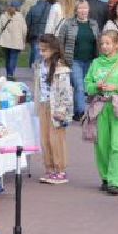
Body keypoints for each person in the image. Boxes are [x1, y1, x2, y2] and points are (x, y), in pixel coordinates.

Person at [84, 30, 118, 195]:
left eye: (108, 43)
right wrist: (96, 86)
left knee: (116, 145)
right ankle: (106, 177)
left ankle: (117, 182)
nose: (104, 46)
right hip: (99, 108)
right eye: (102, 43)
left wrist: (117, 87)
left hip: (117, 109)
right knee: (101, 145)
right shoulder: (96, 63)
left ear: (116, 45)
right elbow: (88, 85)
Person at [33, 33, 73, 185]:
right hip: (43, 105)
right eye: (40, 50)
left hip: (56, 108)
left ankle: (60, 170)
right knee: (44, 139)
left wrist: (62, 110)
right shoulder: (40, 65)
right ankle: (49, 168)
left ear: (54, 50)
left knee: (56, 139)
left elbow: (66, 92)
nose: (41, 53)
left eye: (44, 50)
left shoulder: (61, 69)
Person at [55, 0, 102, 116]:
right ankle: (81, 113)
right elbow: (60, 42)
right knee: (79, 86)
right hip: (74, 60)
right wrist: (60, 58)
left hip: (91, 61)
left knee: (87, 87)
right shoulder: (68, 24)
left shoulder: (94, 24)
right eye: (80, 8)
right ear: (76, 10)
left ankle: (81, 110)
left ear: (88, 10)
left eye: (85, 8)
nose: (83, 10)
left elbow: (99, 42)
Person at [0, 1, 28, 79]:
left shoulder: (3, 15)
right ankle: (10, 74)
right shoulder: (20, 16)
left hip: (5, 41)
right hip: (16, 41)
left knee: (7, 58)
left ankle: (8, 74)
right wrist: (24, 39)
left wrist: (1, 35)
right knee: (13, 58)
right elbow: (24, 30)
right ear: (17, 8)